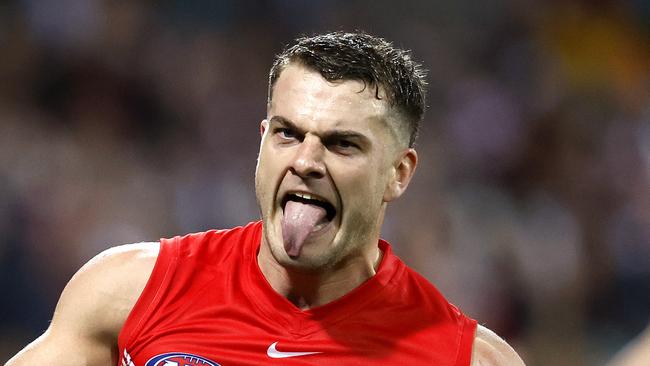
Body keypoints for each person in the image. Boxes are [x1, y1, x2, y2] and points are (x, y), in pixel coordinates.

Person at [6, 31, 524, 365]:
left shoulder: (462, 357)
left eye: (342, 144)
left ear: (398, 174)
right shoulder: (129, 291)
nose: (305, 161)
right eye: (287, 134)